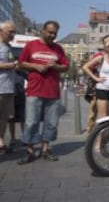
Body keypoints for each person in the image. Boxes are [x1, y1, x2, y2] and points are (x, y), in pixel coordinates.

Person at [17, 20, 69, 164]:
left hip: (52, 91)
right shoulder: (31, 45)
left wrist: (56, 66)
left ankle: (46, 149)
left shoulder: (58, 48)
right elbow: (20, 63)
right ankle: (30, 151)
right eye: (50, 32)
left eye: (55, 33)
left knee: (51, 123)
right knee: (31, 122)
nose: (52, 35)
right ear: (43, 31)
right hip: (34, 90)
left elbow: (66, 67)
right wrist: (36, 66)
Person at [83, 34, 109, 134]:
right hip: (99, 89)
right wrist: (96, 78)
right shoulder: (100, 56)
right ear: (105, 45)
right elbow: (87, 67)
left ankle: (105, 138)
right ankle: (92, 135)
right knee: (94, 113)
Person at [0, 21, 17, 154]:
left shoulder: (9, 47)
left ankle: (1, 141)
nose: (13, 34)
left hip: (8, 88)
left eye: (14, 32)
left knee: (5, 117)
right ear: (1, 31)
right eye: (10, 32)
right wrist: (12, 65)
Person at [8, 69, 27, 147]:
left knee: (23, 118)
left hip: (21, 96)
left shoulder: (22, 72)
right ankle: (13, 138)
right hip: (10, 96)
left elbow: (30, 78)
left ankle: (24, 137)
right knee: (11, 118)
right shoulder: (9, 71)